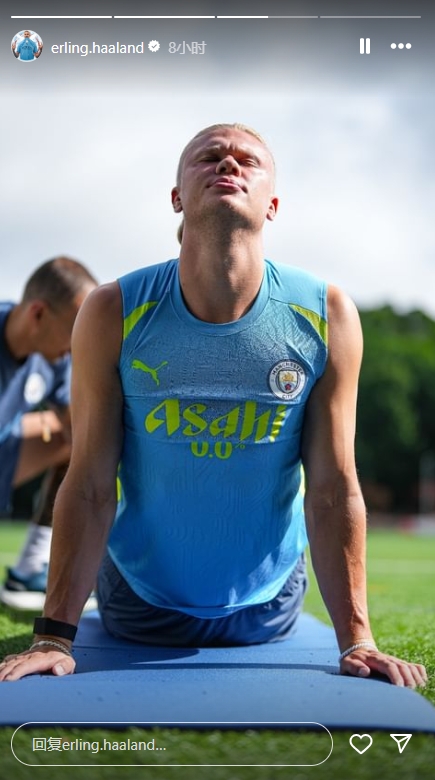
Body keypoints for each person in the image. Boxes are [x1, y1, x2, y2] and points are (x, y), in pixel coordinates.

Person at [0, 124, 427, 688]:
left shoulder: (328, 314)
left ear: (273, 205)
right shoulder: (111, 310)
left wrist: (359, 641)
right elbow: (90, 483)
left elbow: (332, 488)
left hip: (268, 610)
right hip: (136, 606)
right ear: (176, 197)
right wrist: (53, 637)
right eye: (210, 157)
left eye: (247, 160)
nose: (229, 164)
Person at [0, 257, 97, 610]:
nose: (78, 344)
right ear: (38, 314)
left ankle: (30, 567)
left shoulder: (55, 359)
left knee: (83, 437)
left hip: (7, 448)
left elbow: (77, 425)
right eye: (74, 329)